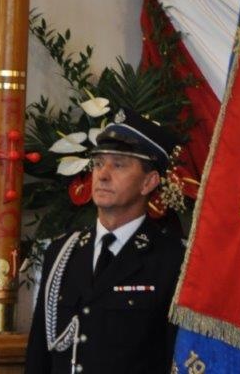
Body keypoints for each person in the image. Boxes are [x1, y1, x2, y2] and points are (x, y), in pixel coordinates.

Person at [25, 109, 185, 374]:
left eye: (119, 165)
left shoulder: (171, 261)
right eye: (99, 164)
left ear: (149, 182)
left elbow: (175, 358)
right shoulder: (63, 252)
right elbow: (39, 355)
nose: (102, 174)